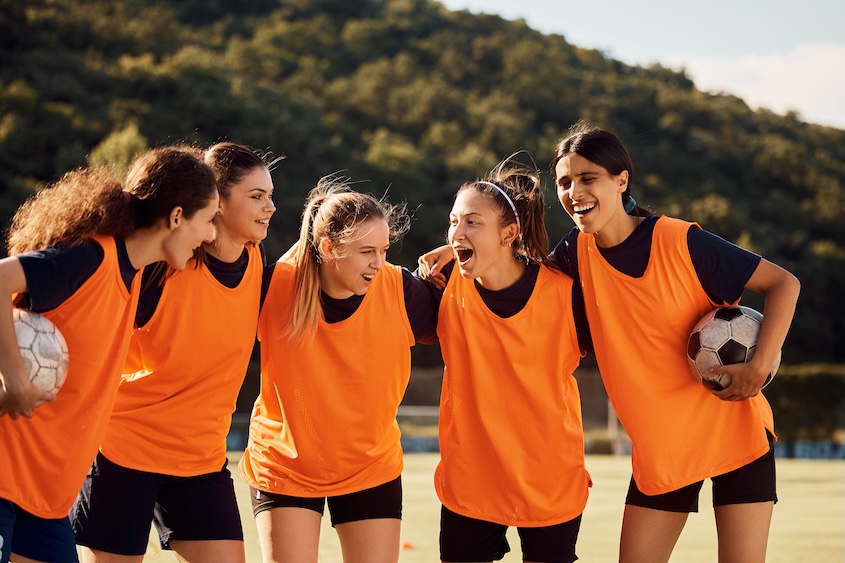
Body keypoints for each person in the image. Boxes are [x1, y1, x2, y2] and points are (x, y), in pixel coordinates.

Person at [549, 122, 800, 563]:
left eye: (588, 178)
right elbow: (514, 280)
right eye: (564, 182)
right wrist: (455, 253)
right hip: (662, 447)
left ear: (621, 180)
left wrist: (760, 365)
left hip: (733, 429)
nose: (574, 191)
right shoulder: (574, 253)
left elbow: (783, 283)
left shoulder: (682, 241)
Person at [0, 145, 219, 563]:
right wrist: (13, 377)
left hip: (44, 499)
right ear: (176, 217)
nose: (210, 235)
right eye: (208, 221)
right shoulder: (89, 257)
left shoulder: (134, 272)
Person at [70, 142, 278, 563]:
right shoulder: (161, 266)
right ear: (215, 202)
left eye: (271, 195)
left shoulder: (258, 263)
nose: (270, 207)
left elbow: (330, 266)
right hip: (123, 449)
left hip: (200, 460)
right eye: (257, 196)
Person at [238, 177, 439, 563]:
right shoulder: (273, 286)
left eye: (382, 250)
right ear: (328, 248)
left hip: (370, 466)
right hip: (285, 465)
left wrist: (464, 251)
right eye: (366, 252)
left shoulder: (403, 291)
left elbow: (479, 308)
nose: (378, 263)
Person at [424, 164, 592, 563]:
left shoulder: (567, 292)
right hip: (472, 481)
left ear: (509, 233)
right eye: (453, 222)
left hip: (549, 479)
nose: (456, 232)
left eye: (472, 222)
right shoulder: (442, 287)